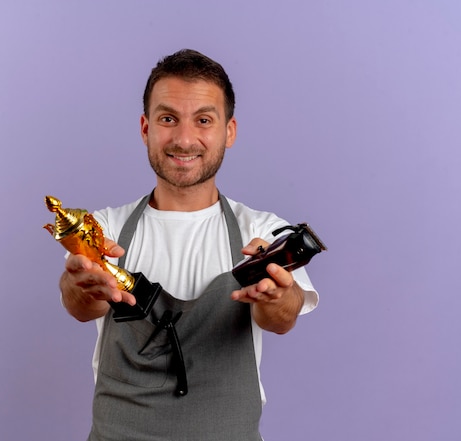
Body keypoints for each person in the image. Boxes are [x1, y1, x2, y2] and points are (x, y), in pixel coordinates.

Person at [59, 49, 319, 441]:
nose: (184, 139)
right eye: (168, 119)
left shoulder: (263, 233)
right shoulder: (104, 229)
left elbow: (283, 317)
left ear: (229, 131)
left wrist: (275, 296)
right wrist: (82, 286)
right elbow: (81, 304)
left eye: (203, 120)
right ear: (146, 128)